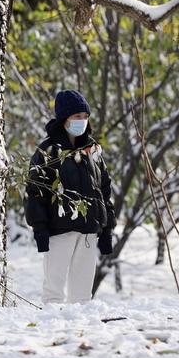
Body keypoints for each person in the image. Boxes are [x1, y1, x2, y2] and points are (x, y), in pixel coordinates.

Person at [25, 89, 116, 304]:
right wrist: (40, 228)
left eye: (85, 117)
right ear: (64, 118)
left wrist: (106, 229)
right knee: (54, 291)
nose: (82, 121)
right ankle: (52, 331)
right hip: (59, 231)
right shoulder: (48, 151)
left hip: (88, 232)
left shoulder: (92, 151)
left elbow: (104, 190)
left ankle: (80, 332)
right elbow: (35, 192)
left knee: (82, 295)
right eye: (77, 117)